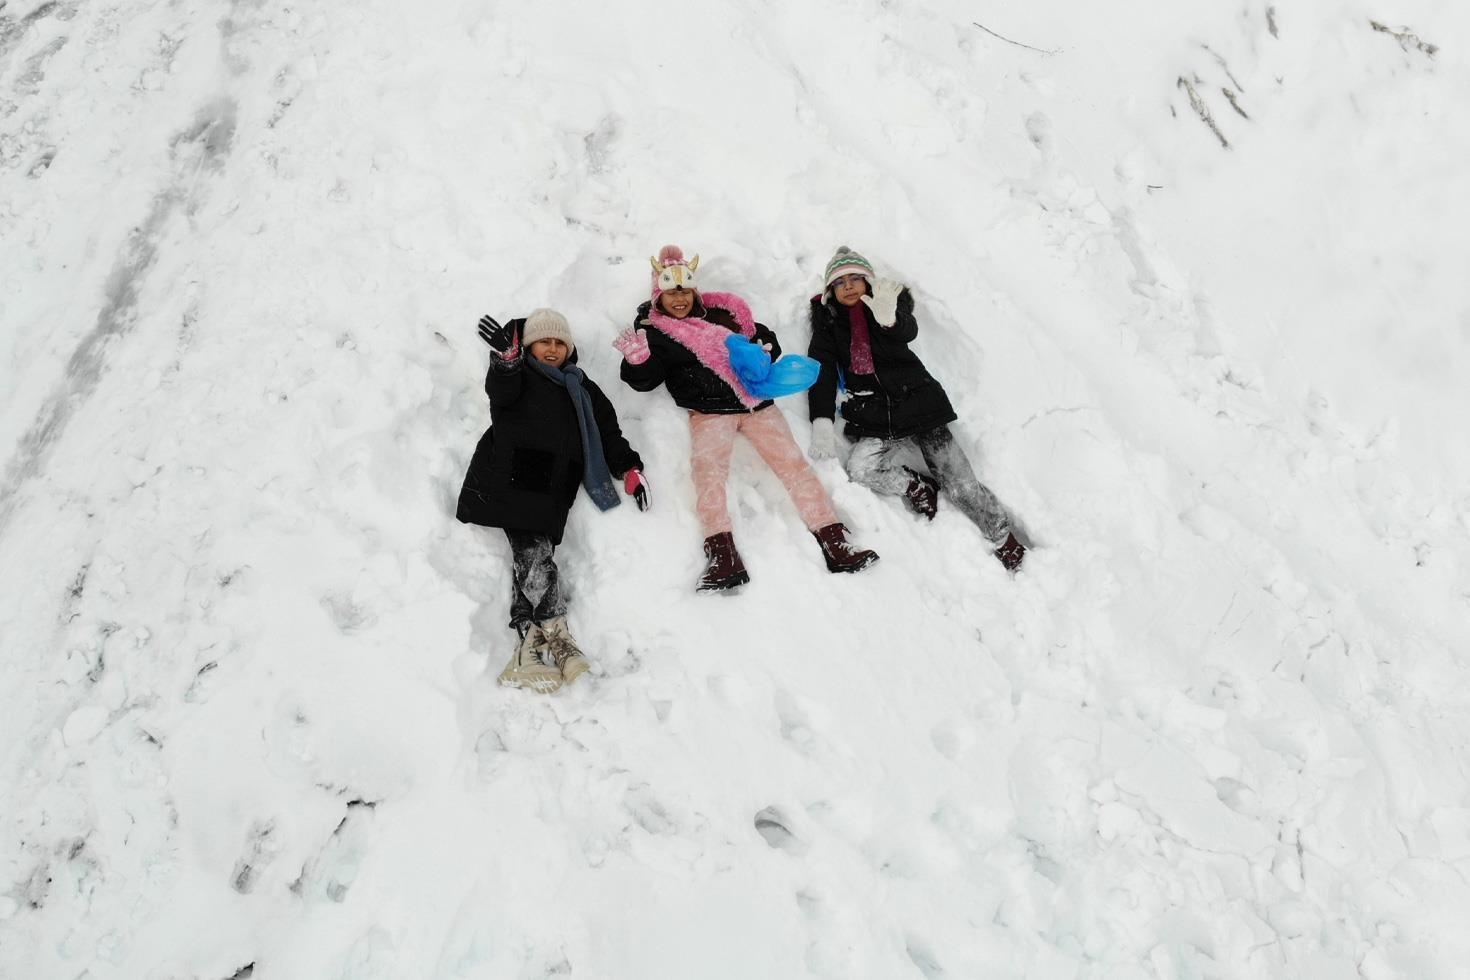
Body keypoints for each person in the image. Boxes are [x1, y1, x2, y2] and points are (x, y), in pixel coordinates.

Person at [613, 245, 878, 591]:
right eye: (670, 293)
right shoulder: (657, 334)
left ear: (695, 292)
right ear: (658, 297)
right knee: (708, 476)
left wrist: (765, 348)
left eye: (685, 291)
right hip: (709, 413)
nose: (679, 299)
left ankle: (834, 540)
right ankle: (723, 555)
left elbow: (762, 337)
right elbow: (647, 380)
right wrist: (638, 361)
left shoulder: (723, 314)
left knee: (793, 466)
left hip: (756, 404)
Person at [457, 309, 650, 693]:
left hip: (555, 487)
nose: (552, 348)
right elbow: (501, 390)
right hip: (514, 476)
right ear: (529, 346)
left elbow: (608, 432)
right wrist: (506, 362)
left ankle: (528, 646)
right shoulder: (520, 376)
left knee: (531, 557)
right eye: (544, 341)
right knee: (534, 554)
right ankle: (557, 636)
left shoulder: (583, 387)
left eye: (560, 342)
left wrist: (629, 468)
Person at [806, 246, 1027, 572]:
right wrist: (821, 421)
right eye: (840, 283)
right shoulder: (829, 327)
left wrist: (889, 317)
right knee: (860, 470)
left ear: (868, 282)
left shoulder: (886, 306)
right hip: (875, 414)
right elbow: (822, 373)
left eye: (856, 278)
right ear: (830, 292)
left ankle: (1002, 537)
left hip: (920, 403)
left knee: (958, 482)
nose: (849, 286)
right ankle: (916, 486)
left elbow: (906, 332)